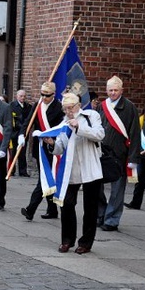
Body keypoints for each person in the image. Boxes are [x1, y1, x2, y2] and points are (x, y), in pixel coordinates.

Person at [42, 93, 104, 254]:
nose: (68, 111)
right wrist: (52, 143)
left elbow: (99, 134)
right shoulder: (64, 122)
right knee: (67, 204)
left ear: (78, 106)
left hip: (90, 167)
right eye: (65, 109)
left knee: (90, 208)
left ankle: (85, 242)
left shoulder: (92, 115)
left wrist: (79, 127)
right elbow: (60, 147)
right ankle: (67, 240)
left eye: (71, 108)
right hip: (71, 169)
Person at [97, 75, 141, 231]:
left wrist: (133, 157)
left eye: (116, 90)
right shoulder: (102, 106)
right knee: (97, 187)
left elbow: (135, 133)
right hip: (101, 153)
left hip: (120, 154)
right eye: (110, 90)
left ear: (122, 90)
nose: (113, 93)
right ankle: (100, 214)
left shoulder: (130, 108)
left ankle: (112, 219)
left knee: (117, 190)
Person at [20, 81, 65, 221]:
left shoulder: (59, 107)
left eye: (47, 95)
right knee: (46, 178)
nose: (44, 97)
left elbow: (61, 129)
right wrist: (22, 135)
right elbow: (28, 122)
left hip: (54, 149)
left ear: (54, 94)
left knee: (44, 179)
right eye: (42, 94)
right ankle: (52, 210)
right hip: (39, 148)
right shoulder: (38, 105)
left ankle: (30, 209)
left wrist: (51, 138)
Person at [10, 89, 32, 176]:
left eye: (24, 96)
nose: (23, 98)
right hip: (15, 132)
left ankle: (23, 171)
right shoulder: (12, 105)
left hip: (23, 133)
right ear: (17, 96)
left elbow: (29, 118)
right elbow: (12, 119)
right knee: (13, 152)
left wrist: (25, 129)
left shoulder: (28, 106)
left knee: (22, 153)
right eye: (21, 96)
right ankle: (12, 170)